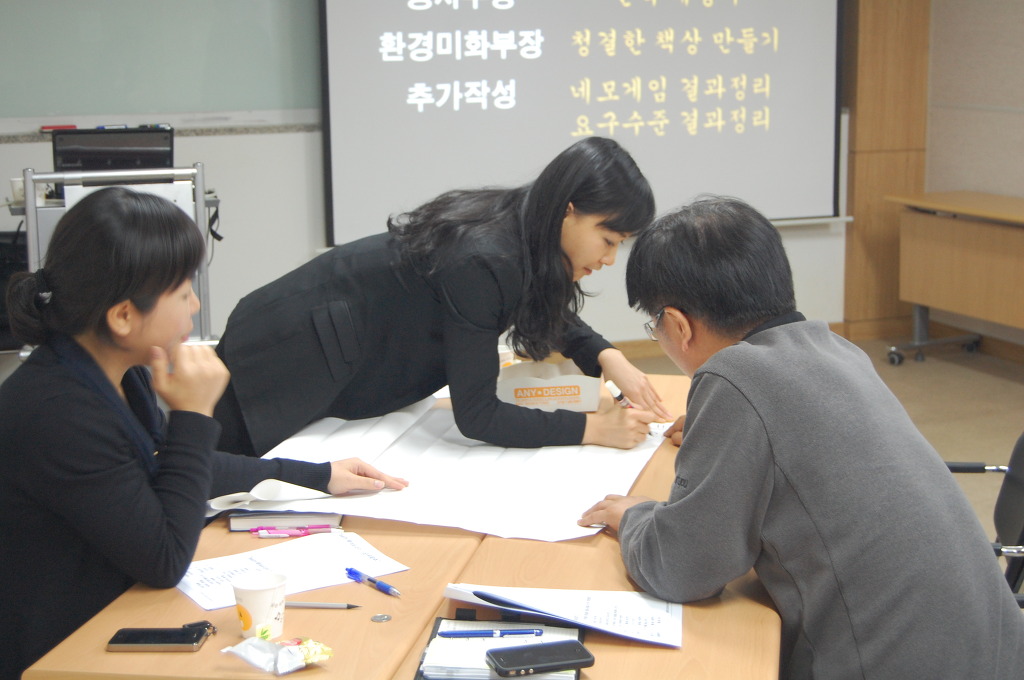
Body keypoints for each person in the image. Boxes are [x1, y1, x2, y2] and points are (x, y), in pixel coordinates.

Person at [579, 196, 1024, 679]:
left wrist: (635, 516)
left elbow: (683, 568)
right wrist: (720, 433)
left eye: (655, 325)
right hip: (992, 652)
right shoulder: (839, 350)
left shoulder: (733, 377)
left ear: (678, 324)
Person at [0, 187, 407, 680]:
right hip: (60, 652)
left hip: (110, 617)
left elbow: (160, 466)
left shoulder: (115, 370)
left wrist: (314, 476)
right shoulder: (59, 413)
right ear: (123, 315)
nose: (194, 303)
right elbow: (164, 559)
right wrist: (193, 414)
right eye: (182, 291)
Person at [214, 137, 671, 458]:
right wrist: (593, 428)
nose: (608, 258)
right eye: (608, 240)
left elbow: (535, 297)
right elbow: (478, 416)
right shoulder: (485, 258)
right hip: (284, 352)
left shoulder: (523, 226)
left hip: (319, 342)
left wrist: (606, 356)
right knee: (215, 482)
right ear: (568, 212)